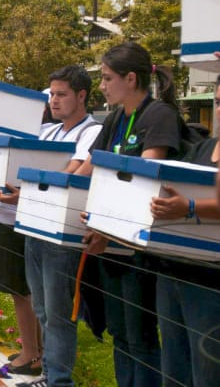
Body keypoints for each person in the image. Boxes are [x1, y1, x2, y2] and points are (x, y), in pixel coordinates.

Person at [77, 42, 183, 386]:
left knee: (141, 338)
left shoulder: (159, 115)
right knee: (120, 333)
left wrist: (109, 227)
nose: (103, 86)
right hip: (110, 243)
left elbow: (146, 180)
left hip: (140, 248)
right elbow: (88, 169)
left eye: (108, 78)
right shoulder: (116, 118)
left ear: (131, 78)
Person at [16, 65, 102, 387]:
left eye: (61, 94)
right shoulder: (49, 132)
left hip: (62, 237)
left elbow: (73, 174)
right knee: (42, 309)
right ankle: (50, 375)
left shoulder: (90, 132)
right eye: (51, 94)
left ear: (81, 96)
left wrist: (32, 181)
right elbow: (24, 165)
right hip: (35, 228)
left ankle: (60, 381)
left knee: (58, 314)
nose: (54, 101)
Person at [147, 74, 220, 387]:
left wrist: (189, 207)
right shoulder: (203, 147)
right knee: (174, 370)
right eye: (218, 102)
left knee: (208, 373)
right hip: (174, 271)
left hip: (210, 281)